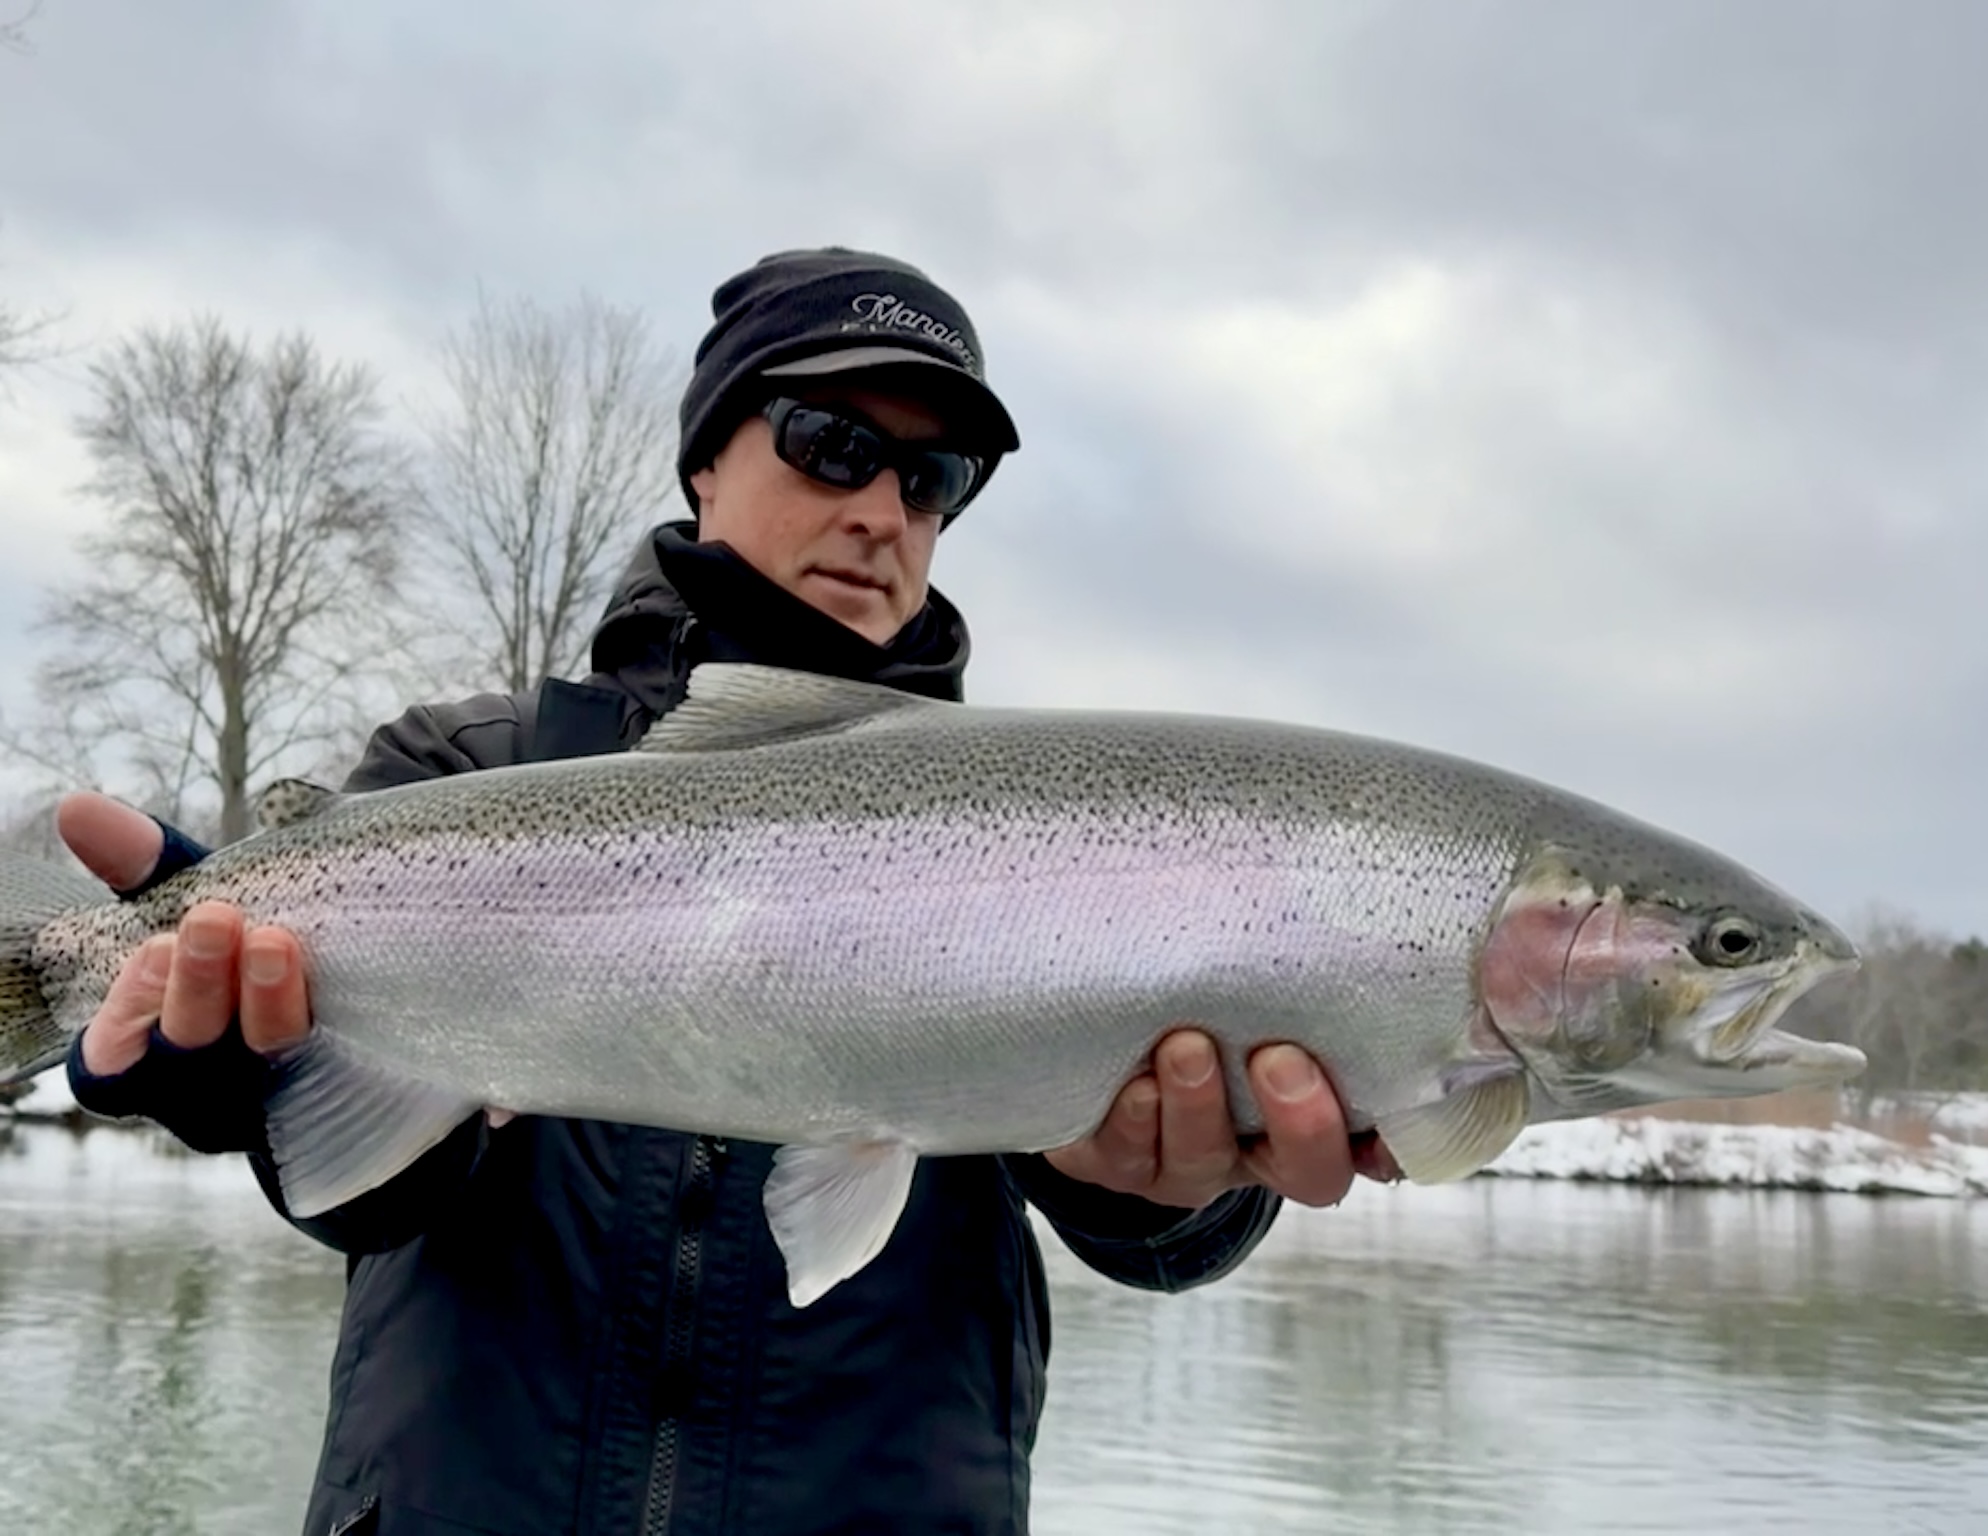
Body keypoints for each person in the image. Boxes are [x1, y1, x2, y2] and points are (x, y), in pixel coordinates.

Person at [61, 248, 1370, 1536]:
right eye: (831, 441)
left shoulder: (1056, 832)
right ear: (704, 457)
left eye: (933, 478)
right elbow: (374, 1195)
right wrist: (250, 1069)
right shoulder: (467, 769)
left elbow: (1172, 1236)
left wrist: (1160, 1184)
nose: (882, 511)